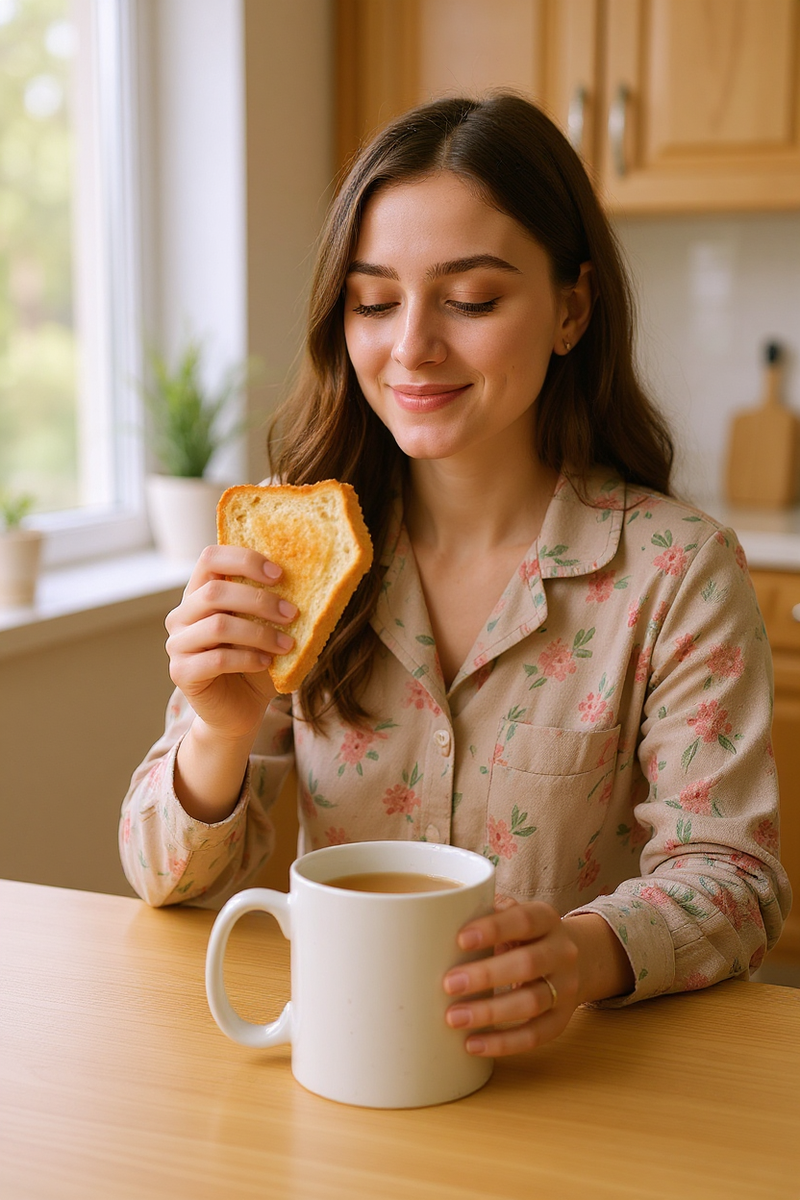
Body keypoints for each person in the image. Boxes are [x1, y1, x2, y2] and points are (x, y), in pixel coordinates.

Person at [121, 92, 791, 1058]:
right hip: (349, 1060)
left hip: (573, 1083)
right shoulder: (290, 549)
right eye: (374, 300)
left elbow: (736, 880)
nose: (412, 347)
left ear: (571, 307)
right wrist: (220, 736)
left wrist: (582, 954)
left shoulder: (678, 573)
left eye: (472, 300)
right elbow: (160, 880)